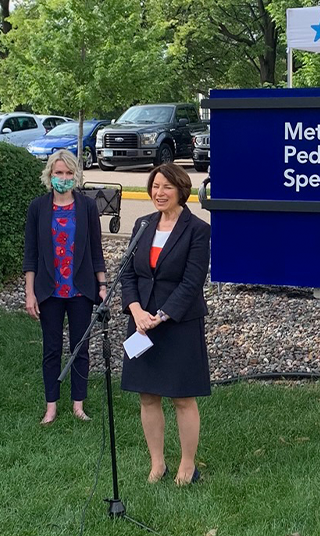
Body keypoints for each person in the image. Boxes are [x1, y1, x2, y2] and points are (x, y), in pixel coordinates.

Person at [120, 163, 211, 485]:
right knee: (147, 395)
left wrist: (161, 315)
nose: (159, 193)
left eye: (166, 187)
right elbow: (128, 273)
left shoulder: (197, 229)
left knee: (182, 397)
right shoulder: (143, 225)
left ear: (181, 190)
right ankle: (157, 463)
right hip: (141, 322)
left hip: (179, 322)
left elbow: (192, 281)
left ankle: (187, 464)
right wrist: (135, 311)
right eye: (155, 186)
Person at [23, 150, 108, 425]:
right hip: (49, 291)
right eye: (59, 173)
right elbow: (31, 254)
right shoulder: (38, 208)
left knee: (79, 349)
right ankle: (51, 406)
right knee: (51, 349)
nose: (64, 178)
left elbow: (96, 250)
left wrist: (102, 285)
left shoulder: (86, 207)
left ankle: (78, 404)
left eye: (69, 173)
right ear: (50, 175)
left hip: (80, 290)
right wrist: (30, 293)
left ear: (76, 175)